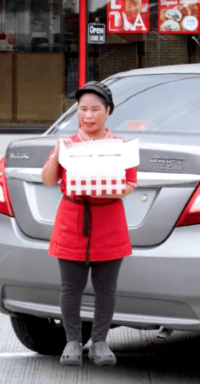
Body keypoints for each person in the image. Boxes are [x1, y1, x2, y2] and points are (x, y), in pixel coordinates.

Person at [40, 81, 137, 367]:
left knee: (106, 289)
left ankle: (100, 343)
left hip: (109, 222)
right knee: (70, 288)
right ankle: (72, 342)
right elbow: (48, 179)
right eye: (83, 109)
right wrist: (59, 152)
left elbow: (130, 184)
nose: (89, 115)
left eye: (95, 109)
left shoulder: (120, 147)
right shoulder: (67, 144)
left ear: (107, 111)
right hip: (72, 221)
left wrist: (109, 191)